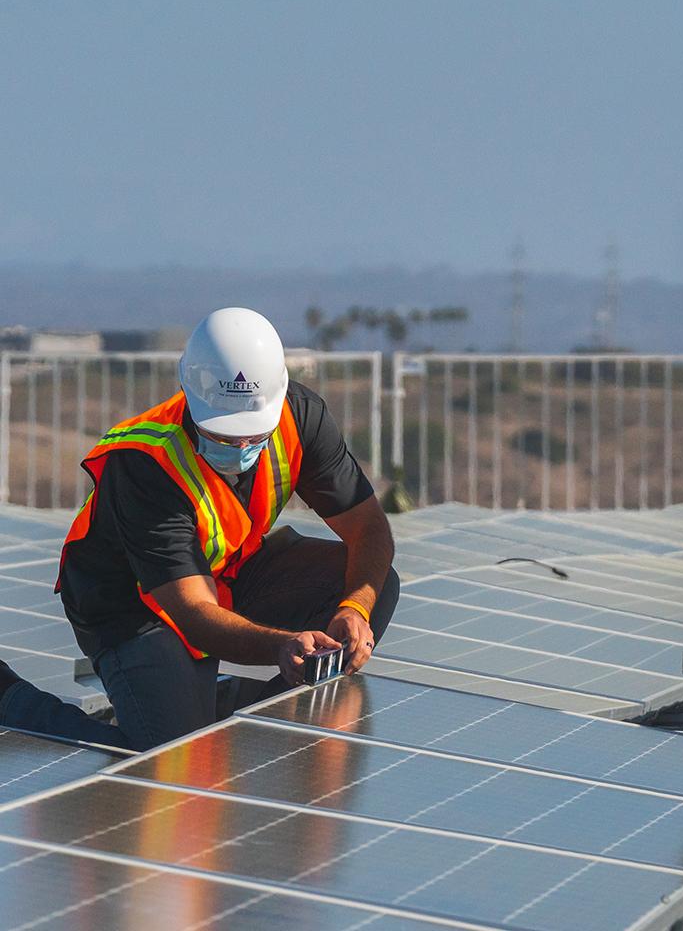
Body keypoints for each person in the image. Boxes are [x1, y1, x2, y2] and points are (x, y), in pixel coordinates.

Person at [0, 307, 398, 751]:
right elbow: (194, 615)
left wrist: (355, 608)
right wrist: (284, 646)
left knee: (371, 582)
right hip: (133, 606)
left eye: (255, 437)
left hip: (226, 568)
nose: (242, 448)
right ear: (190, 395)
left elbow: (369, 529)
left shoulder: (300, 417)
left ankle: (254, 725)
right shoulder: (144, 463)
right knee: (166, 755)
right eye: (226, 437)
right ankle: (11, 699)